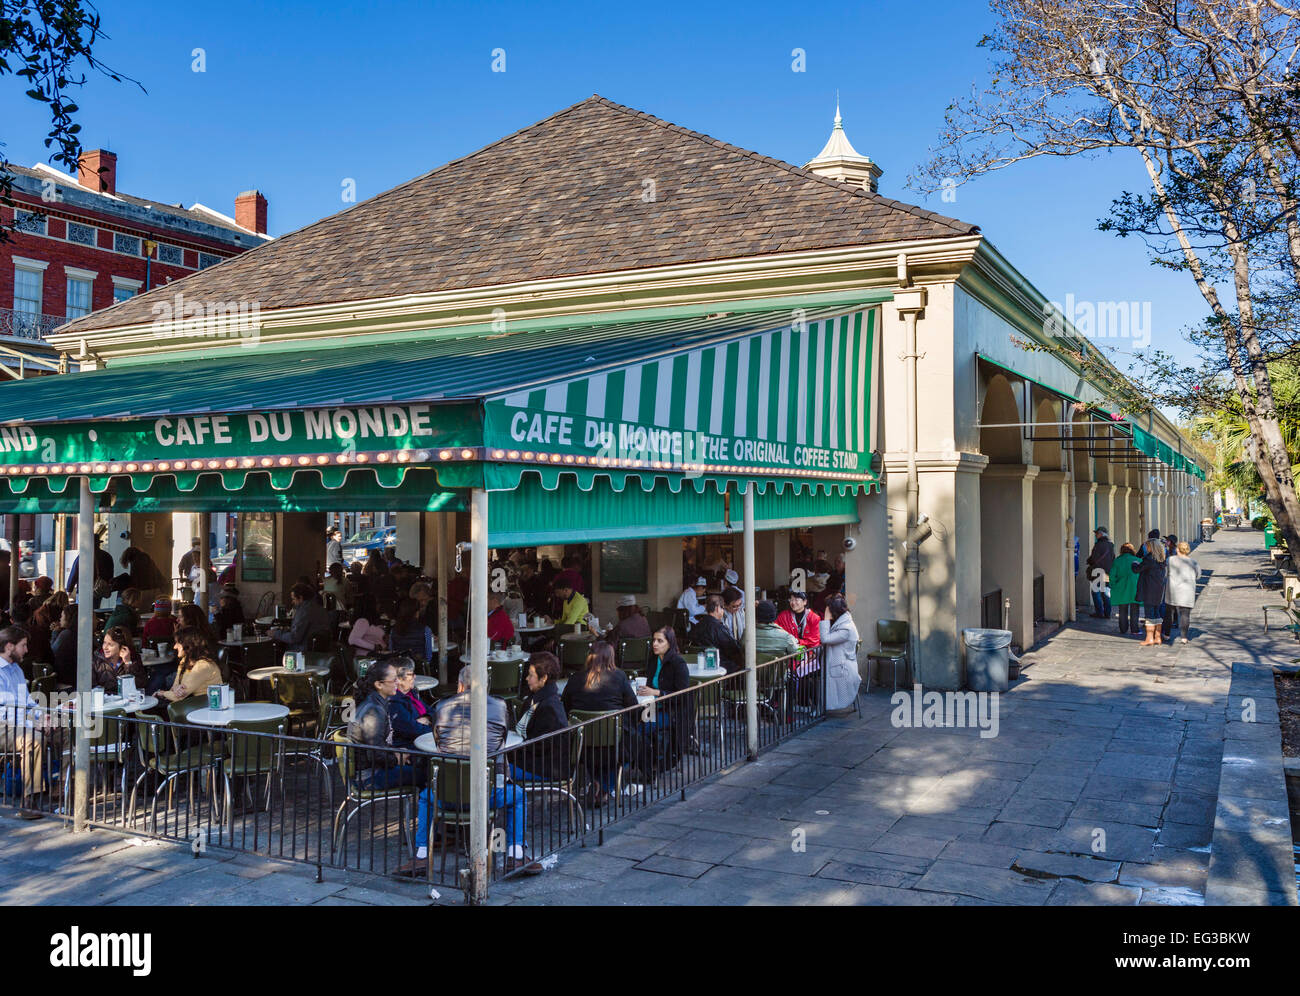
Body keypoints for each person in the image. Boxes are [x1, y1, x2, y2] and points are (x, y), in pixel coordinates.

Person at [401, 664, 537, 876]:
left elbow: (439, 745)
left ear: (460, 685)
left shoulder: (442, 707)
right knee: (518, 796)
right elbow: (500, 741)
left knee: (426, 797)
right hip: (488, 794)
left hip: (447, 796)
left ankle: (420, 855)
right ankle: (516, 854)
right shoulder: (500, 706)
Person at [0, 625, 57, 818]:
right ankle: (29, 799)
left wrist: (44, 717)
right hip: (3, 725)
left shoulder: (16, 669)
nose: (26, 650)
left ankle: (65, 788)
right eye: (23, 645)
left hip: (19, 721)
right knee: (32, 739)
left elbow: (28, 702)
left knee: (65, 729)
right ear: (9, 646)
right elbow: (5, 711)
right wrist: (34, 722)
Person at [347, 660, 424, 788]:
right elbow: (375, 754)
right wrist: (397, 758)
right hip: (369, 777)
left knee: (419, 761)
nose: (398, 683)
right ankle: (427, 806)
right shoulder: (373, 711)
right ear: (379, 684)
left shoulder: (376, 702)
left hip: (372, 770)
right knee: (426, 774)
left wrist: (397, 752)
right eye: (393, 680)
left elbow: (378, 746)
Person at [510, 652, 569, 781]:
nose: (527, 679)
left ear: (543, 678)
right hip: (536, 761)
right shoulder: (539, 699)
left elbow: (540, 746)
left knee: (495, 770)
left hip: (545, 768)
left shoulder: (549, 707)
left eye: (531, 675)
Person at [156, 628, 222, 703]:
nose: (174, 647)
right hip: (192, 704)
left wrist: (161, 693)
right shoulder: (184, 661)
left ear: (188, 645)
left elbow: (178, 697)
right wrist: (177, 689)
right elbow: (174, 688)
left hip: (207, 706)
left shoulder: (203, 665)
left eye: (178, 643)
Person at [819, 596, 861, 712]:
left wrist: (826, 619)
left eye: (828, 609)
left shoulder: (846, 629)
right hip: (837, 664)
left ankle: (819, 709)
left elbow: (825, 639)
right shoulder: (843, 622)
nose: (826, 611)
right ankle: (818, 707)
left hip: (841, 669)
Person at [268, 583, 329, 653]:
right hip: (320, 650)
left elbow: (294, 638)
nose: (292, 602)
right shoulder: (320, 609)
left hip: (302, 651)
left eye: (293, 599)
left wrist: (275, 634)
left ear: (300, 598)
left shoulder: (304, 611)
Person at [690, 594, 744, 673]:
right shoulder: (718, 628)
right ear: (717, 608)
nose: (723, 611)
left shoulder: (697, 626)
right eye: (722, 608)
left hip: (701, 665)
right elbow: (733, 650)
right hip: (722, 667)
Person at [388, 660, 432, 748]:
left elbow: (432, 711)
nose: (415, 676)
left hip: (423, 738)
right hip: (408, 748)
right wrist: (436, 729)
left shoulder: (412, 693)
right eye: (411, 674)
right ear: (398, 680)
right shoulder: (394, 702)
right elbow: (413, 729)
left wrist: (427, 718)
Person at [66, 530, 114, 608]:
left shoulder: (83, 556)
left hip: (84, 589)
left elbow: (74, 573)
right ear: (98, 544)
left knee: (82, 611)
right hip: (99, 589)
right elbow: (110, 575)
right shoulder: (107, 556)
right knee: (95, 609)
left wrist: (69, 589)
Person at [91, 625, 144, 693]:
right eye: (104, 643)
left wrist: (128, 664)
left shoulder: (134, 658)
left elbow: (140, 685)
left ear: (123, 647)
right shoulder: (96, 660)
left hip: (126, 700)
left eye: (110, 644)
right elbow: (91, 687)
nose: (105, 647)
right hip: (104, 701)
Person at [1166, 541, 1200, 645]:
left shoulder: (1170, 560)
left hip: (1172, 590)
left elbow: (1165, 572)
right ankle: (1184, 637)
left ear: (1177, 549)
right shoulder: (1193, 562)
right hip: (1187, 591)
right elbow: (1198, 576)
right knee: (1185, 614)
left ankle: (1167, 634)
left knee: (1169, 614)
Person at [1136, 538, 1168, 647]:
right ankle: (1157, 637)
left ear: (1151, 547)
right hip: (1158, 590)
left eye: (1147, 545)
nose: (1145, 547)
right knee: (1156, 613)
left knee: (1149, 615)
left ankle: (1149, 638)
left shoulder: (1149, 559)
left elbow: (1137, 569)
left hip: (1149, 589)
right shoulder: (1162, 560)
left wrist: (1134, 563)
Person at [1108, 543, 1142, 637]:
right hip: (1135, 588)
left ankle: (1123, 629)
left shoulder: (1117, 561)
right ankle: (1134, 629)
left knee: (1122, 610)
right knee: (1135, 609)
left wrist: (1113, 585)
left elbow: (1112, 575)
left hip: (1121, 588)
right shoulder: (1138, 560)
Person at [388, 597, 433, 662]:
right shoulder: (425, 630)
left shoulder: (394, 630)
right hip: (418, 667)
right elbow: (428, 656)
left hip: (399, 666)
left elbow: (391, 651)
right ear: (417, 613)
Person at [1086, 526, 1116, 618]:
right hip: (1107, 572)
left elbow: (1094, 558)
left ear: (1101, 534)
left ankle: (1099, 612)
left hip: (1098, 571)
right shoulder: (1111, 545)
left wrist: (1089, 561)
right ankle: (1107, 613)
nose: (1096, 535)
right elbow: (1113, 558)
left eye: (1097, 533)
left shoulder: (1098, 545)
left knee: (1095, 592)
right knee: (1106, 593)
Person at [50, 604, 78, 686]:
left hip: (65, 678)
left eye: (62, 616)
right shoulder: (79, 633)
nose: (60, 619)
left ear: (68, 618)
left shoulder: (66, 634)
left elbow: (52, 652)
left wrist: (54, 633)